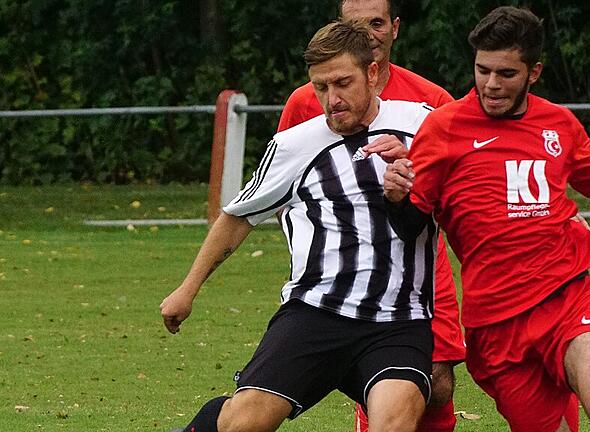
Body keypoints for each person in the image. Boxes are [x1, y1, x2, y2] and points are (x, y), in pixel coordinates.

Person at [382, 6, 590, 432]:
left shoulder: (558, 124)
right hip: (497, 325)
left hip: (568, 296)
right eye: (482, 70)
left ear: (534, 72)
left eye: (506, 73)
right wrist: (396, 199)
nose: (491, 84)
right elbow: (411, 226)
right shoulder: (444, 128)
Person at [161, 20, 440, 432]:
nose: (332, 99)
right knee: (243, 424)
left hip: (398, 321)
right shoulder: (295, 146)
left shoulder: (425, 125)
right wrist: (187, 290)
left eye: (343, 83)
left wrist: (417, 173)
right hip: (315, 314)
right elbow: (238, 216)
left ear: (374, 73)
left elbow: (466, 190)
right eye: (320, 87)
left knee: (395, 421)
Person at [277, 1, 464, 431]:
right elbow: (283, 185)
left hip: (422, 265)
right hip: (346, 274)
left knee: (437, 384)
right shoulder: (304, 103)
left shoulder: (432, 100)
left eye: (377, 23)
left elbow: (461, 178)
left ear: (394, 28)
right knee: (380, 381)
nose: (369, 33)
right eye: (354, 25)